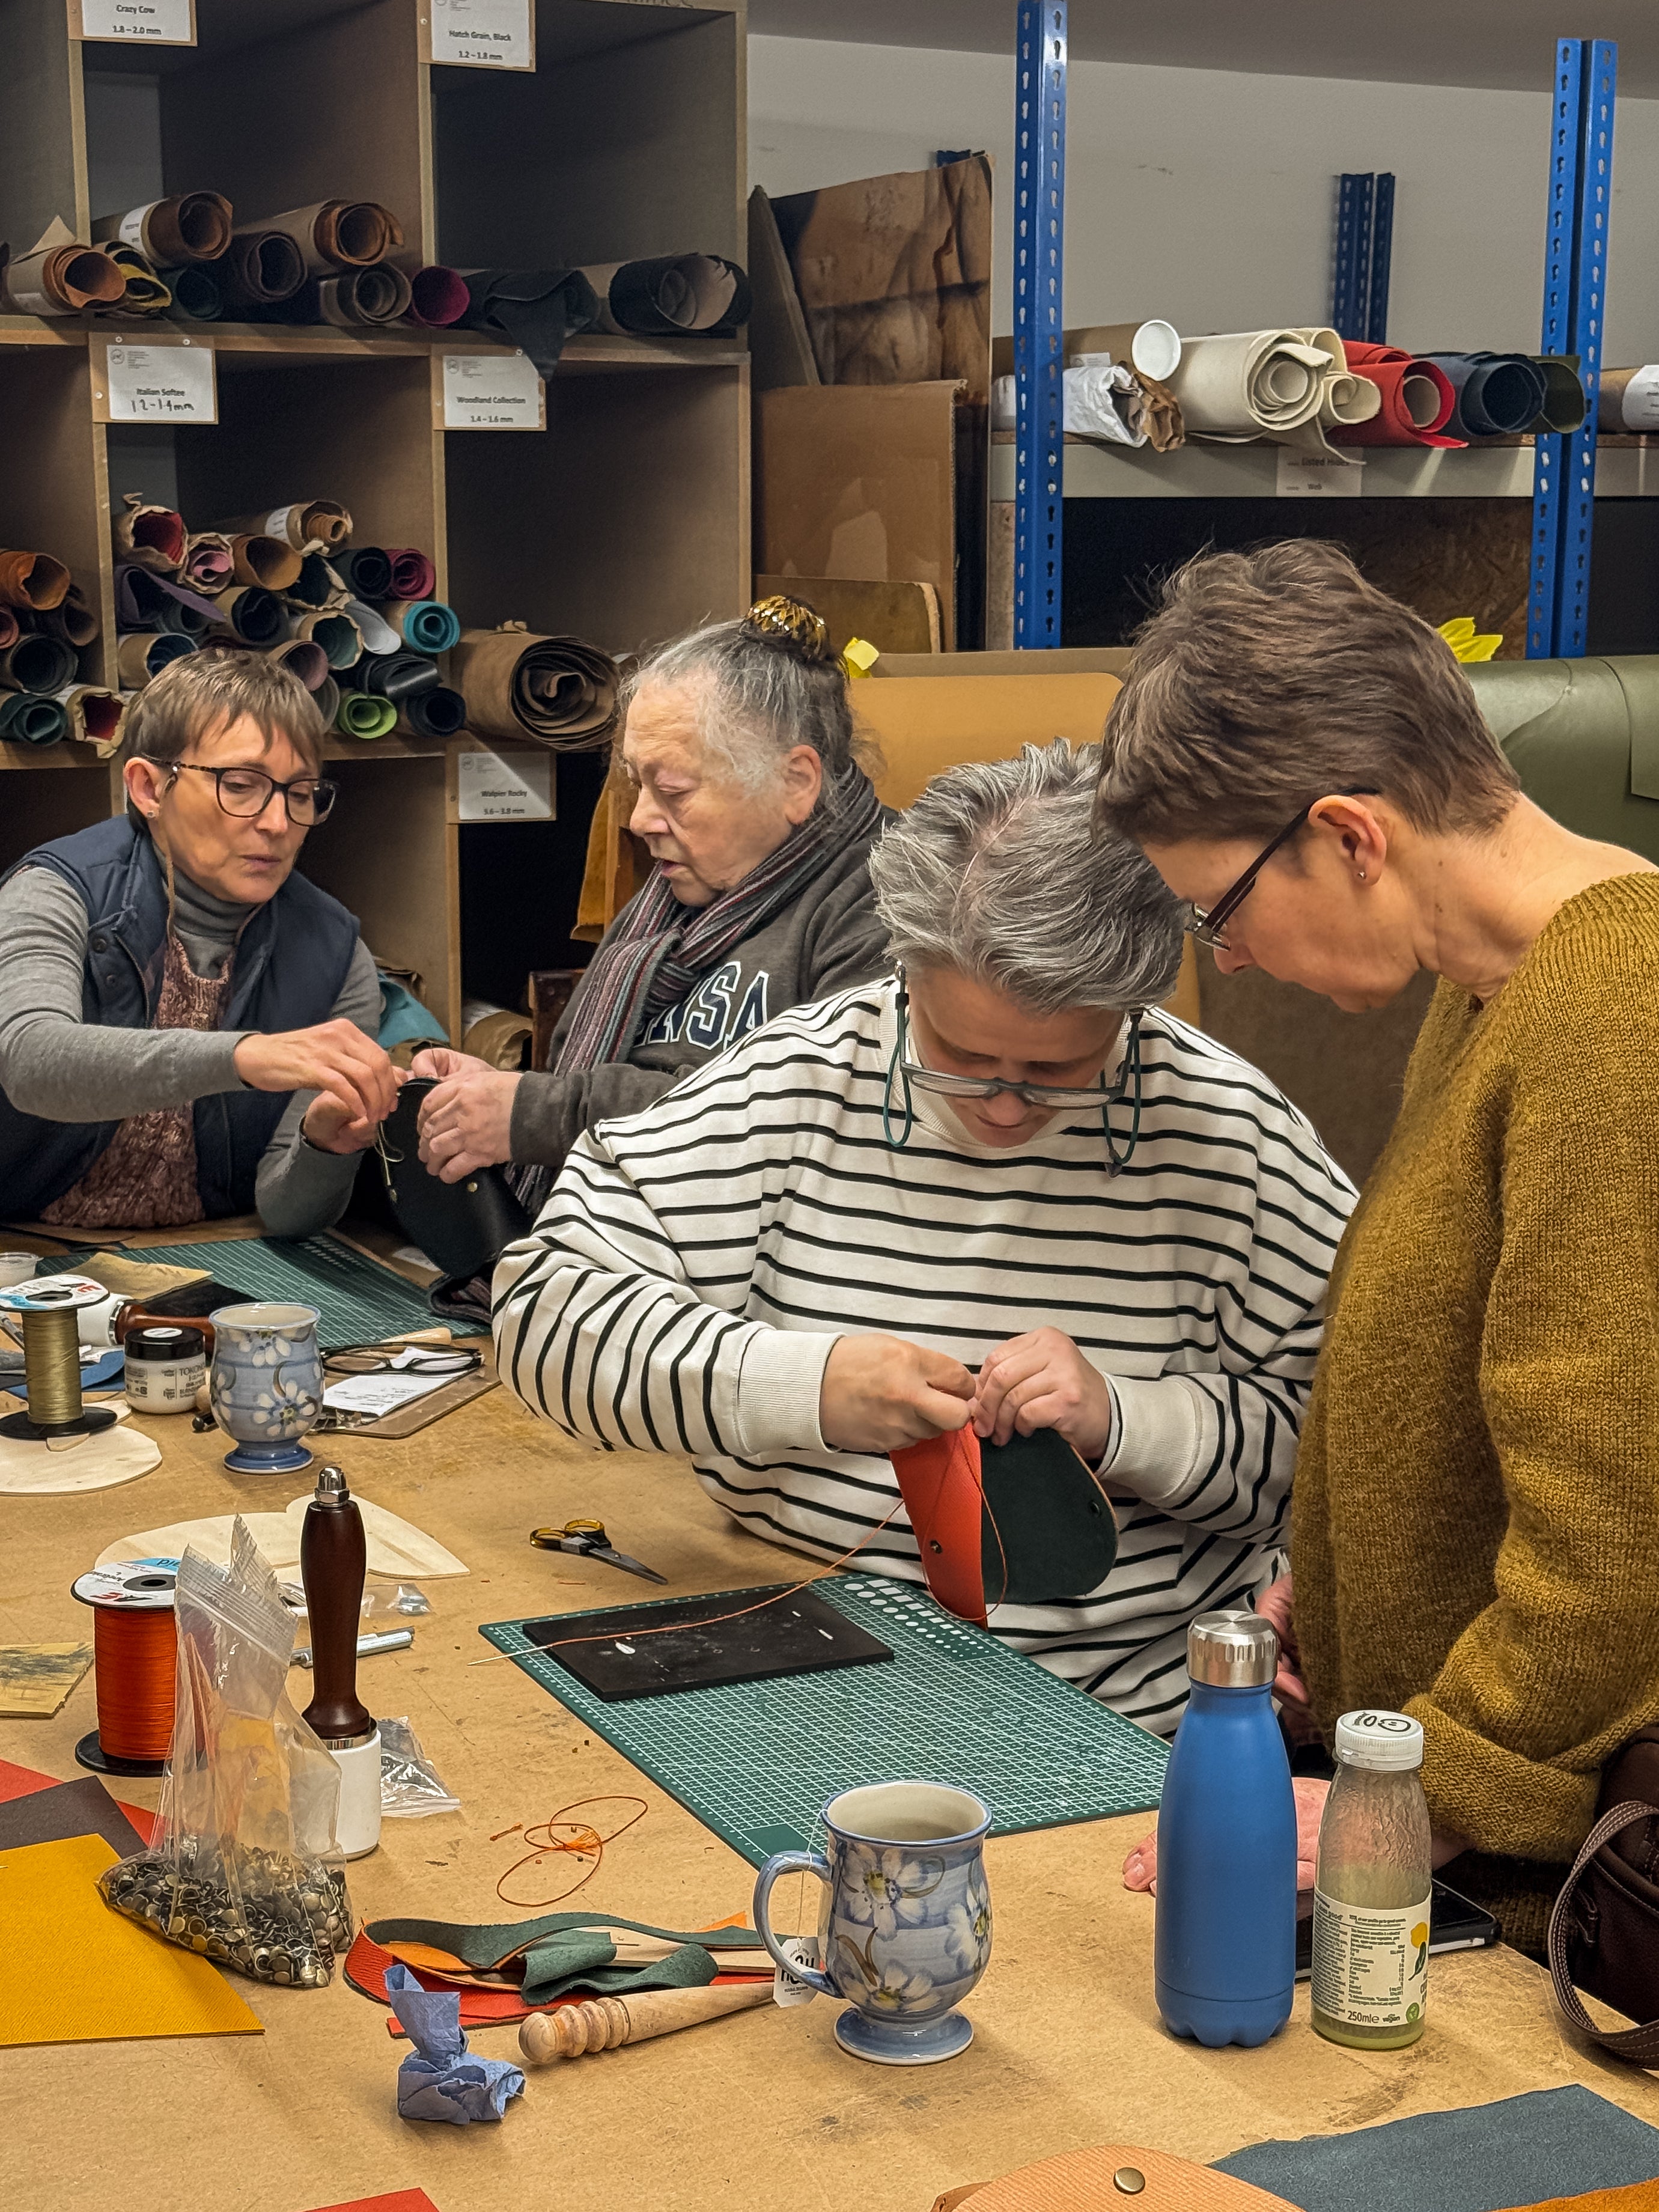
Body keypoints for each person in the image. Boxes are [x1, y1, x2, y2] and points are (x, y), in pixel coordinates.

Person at [494, 740, 1356, 1728]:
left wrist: (1125, 1420)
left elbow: (1336, 1460)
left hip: (1126, 1715)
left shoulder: (1233, 1141)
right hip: (791, 1675)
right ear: (905, 973)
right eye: (960, 1057)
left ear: (1132, 1007)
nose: (1002, 1107)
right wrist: (808, 1385)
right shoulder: (798, 1084)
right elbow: (543, 1309)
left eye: (1055, 1072)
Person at [1101, 540, 1659, 1948]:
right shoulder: (1495, 987)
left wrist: (1426, 1790)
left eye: (1219, 910)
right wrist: (1341, 1574)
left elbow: (1617, 1519)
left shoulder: (1614, 1012)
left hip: (1552, 1890)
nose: (1226, 957)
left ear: (1350, 834)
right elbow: (1457, 1375)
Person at [412, 596, 892, 1211]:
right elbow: (588, 1078)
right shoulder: (684, 888)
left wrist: (539, 1113)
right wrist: (501, 1095)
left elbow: (802, 1115)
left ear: (795, 781)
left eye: (673, 791)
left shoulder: (888, 901)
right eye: (636, 784)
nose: (639, 820)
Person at [0, 650, 395, 1234]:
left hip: (210, 1246)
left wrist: (323, 1144)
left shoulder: (335, 953)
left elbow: (286, 1213)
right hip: (20, 1242)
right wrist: (244, 1057)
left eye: (300, 792)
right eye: (240, 785)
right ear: (149, 787)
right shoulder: (57, 891)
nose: (278, 823)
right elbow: (32, 1060)